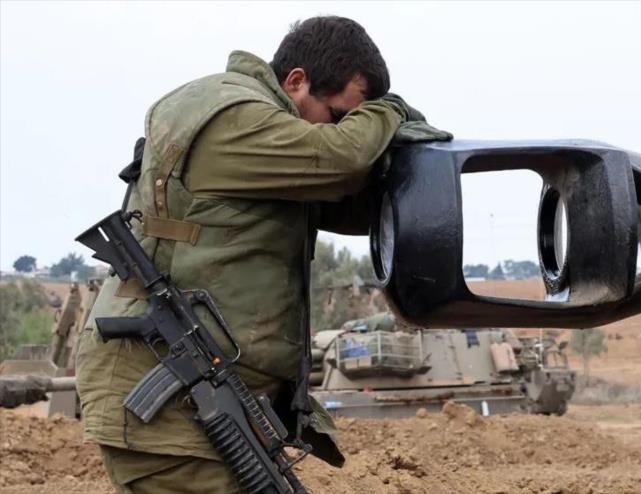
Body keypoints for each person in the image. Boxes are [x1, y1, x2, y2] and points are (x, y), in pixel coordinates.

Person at [75, 16, 449, 493]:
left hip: (198, 399)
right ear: (296, 82)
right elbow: (341, 159)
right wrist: (390, 112)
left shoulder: (260, 137)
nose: (343, 127)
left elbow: (351, 204)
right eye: (340, 115)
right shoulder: (233, 117)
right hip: (170, 408)